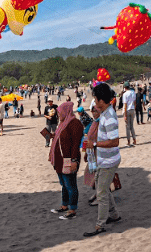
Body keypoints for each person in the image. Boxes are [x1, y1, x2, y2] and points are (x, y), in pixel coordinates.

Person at [83, 83, 121, 237]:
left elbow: (115, 141)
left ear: (100, 100)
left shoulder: (109, 116)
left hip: (109, 161)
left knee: (101, 193)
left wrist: (95, 144)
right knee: (102, 188)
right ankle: (114, 215)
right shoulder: (105, 113)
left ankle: (100, 225)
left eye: (95, 99)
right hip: (104, 160)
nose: (94, 103)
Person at [49, 102, 84, 220]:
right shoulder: (63, 123)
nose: (58, 114)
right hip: (59, 160)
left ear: (66, 111)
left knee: (70, 184)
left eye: (60, 112)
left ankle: (72, 209)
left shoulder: (75, 124)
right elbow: (62, 139)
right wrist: (54, 137)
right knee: (64, 184)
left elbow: (75, 144)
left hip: (69, 159)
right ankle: (64, 205)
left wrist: (74, 160)